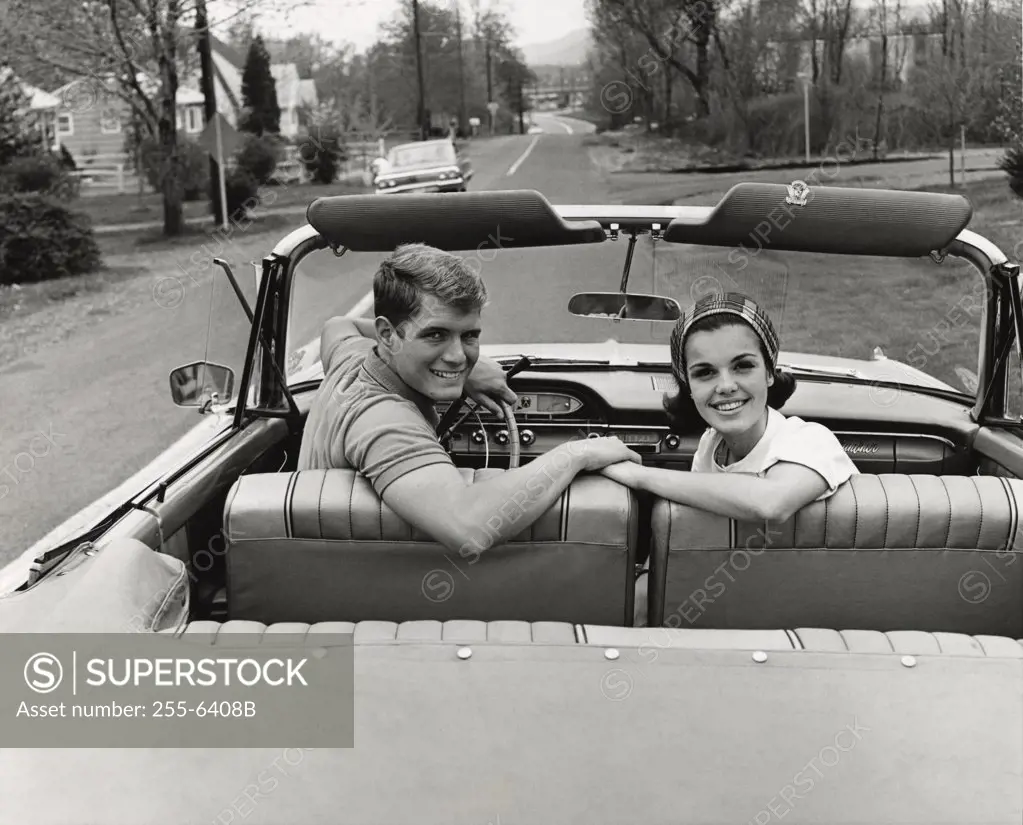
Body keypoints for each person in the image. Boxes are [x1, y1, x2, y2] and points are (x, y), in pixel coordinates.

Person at [297, 242, 641, 554]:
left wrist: (461, 368)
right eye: (436, 335)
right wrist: (576, 453)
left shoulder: (351, 358)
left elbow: (338, 324)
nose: (458, 356)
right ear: (387, 334)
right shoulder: (384, 420)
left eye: (469, 336)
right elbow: (469, 528)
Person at [598, 292, 859, 624]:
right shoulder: (710, 445)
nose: (725, 386)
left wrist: (641, 476)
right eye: (705, 373)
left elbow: (771, 503)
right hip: (750, 605)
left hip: (824, 614)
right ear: (688, 387)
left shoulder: (809, 438)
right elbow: (690, 531)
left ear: (769, 372)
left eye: (743, 366)